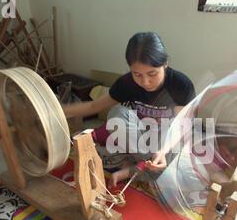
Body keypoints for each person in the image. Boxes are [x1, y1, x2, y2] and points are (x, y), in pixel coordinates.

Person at [63, 32, 196, 190]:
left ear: (165, 63)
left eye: (152, 74)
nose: (145, 82)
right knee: (117, 114)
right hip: (139, 136)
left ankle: (132, 170)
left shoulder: (180, 85)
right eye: (137, 74)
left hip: (166, 137)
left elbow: (181, 124)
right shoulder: (126, 83)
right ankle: (146, 166)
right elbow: (94, 107)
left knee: (180, 158)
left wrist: (162, 151)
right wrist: (55, 111)